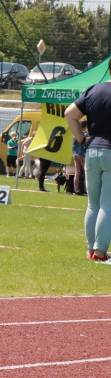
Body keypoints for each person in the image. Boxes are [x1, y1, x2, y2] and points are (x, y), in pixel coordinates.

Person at [66, 69, 111, 261]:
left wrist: (82, 140)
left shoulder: (94, 89)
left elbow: (70, 113)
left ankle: (91, 250)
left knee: (92, 204)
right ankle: (100, 252)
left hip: (92, 151)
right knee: (107, 205)